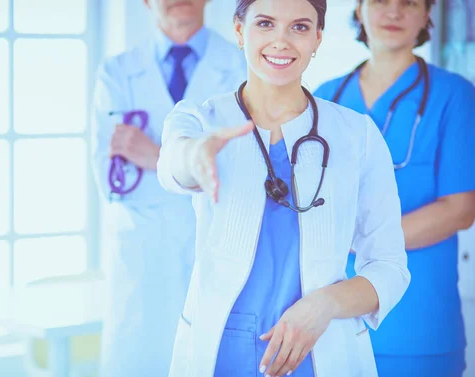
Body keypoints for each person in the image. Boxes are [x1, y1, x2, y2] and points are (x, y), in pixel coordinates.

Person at [157, 0, 411, 376]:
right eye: (265, 23)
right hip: (219, 351)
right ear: (240, 30)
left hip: (321, 350)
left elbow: (390, 268)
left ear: (317, 39)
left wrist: (323, 305)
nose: (281, 41)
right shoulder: (199, 118)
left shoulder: (357, 135)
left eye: (300, 27)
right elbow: (174, 164)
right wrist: (196, 157)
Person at [314, 0, 475, 375]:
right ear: (358, 10)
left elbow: (461, 209)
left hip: (418, 326)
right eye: (380, 1)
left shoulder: (455, 96)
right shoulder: (325, 97)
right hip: (330, 321)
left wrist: (354, 240)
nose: (394, 12)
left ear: (427, 14)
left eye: (409, 2)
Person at [91, 1, 246, 376]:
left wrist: (154, 155)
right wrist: (196, 168)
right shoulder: (118, 71)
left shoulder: (241, 65)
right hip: (143, 255)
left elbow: (245, 171)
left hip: (217, 245)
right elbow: (109, 177)